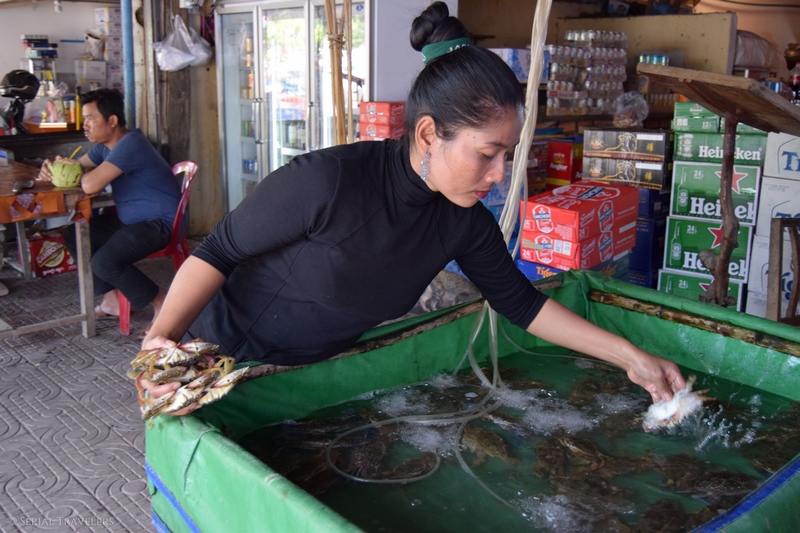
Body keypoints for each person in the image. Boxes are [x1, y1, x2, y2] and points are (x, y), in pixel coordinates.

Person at [142, 2, 686, 415]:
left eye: (509, 154)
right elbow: (217, 252)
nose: (500, 174)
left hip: (314, 377)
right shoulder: (327, 183)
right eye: (488, 154)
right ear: (428, 134)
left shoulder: (464, 222)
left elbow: (522, 304)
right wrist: (159, 343)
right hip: (220, 364)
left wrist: (631, 357)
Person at [38, 88, 181, 331]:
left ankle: (162, 304)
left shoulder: (130, 144)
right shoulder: (105, 147)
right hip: (133, 220)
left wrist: (75, 173)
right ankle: (111, 301)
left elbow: (90, 184)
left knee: (104, 262)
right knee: (75, 234)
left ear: (112, 121)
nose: (85, 126)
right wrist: (52, 168)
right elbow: (75, 166)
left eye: (90, 119)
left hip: (159, 223)